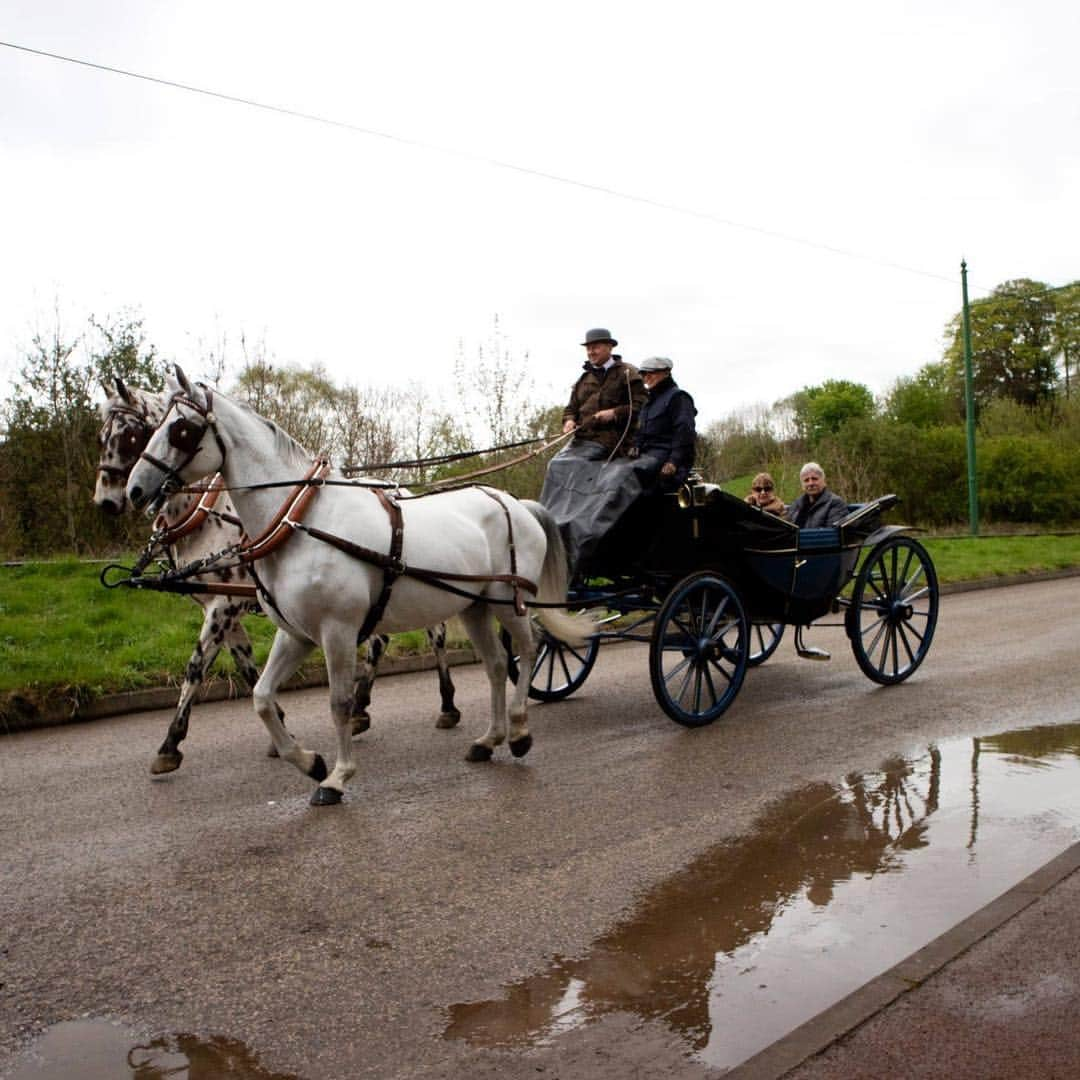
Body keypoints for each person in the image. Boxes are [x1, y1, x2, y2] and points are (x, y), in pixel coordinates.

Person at [561, 328, 646, 457]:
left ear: (609, 347)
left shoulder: (628, 373)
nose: (591, 352)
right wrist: (569, 421)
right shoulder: (583, 379)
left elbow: (643, 406)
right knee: (555, 465)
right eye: (588, 349)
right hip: (581, 440)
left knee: (574, 464)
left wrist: (614, 413)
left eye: (595, 348)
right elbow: (570, 409)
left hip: (615, 440)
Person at [627, 355, 697, 492]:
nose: (647, 377)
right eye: (644, 374)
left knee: (630, 475)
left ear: (666, 373)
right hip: (647, 456)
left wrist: (674, 462)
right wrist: (635, 446)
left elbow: (685, 432)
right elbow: (640, 432)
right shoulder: (647, 403)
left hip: (666, 457)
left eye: (651, 373)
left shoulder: (678, 397)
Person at [786, 462, 849, 527]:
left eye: (814, 479)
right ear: (802, 485)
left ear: (824, 481)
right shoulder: (796, 504)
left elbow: (831, 534)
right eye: (806, 480)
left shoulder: (835, 503)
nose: (811, 483)